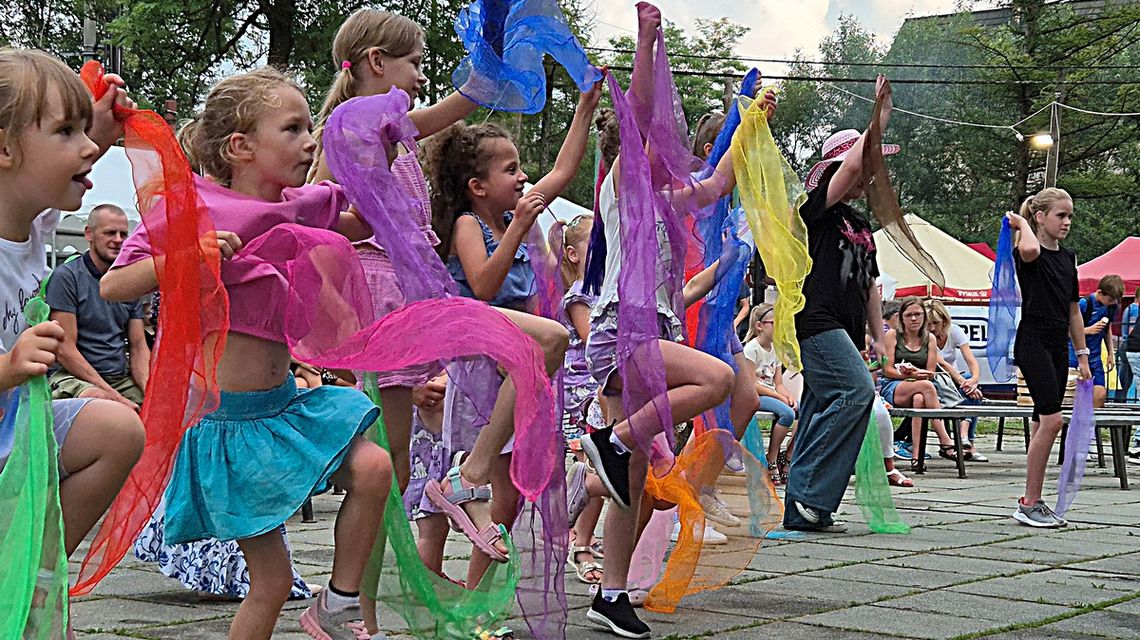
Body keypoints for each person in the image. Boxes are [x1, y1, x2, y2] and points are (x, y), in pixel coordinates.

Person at [101, 67, 392, 639]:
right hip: (226, 428)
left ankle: (338, 602)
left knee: (375, 468)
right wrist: (191, 254)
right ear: (240, 147)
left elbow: (364, 219)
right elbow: (115, 285)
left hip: (284, 409)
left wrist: (371, 158)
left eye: (312, 127)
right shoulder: (192, 208)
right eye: (293, 128)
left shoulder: (302, 203)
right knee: (272, 582)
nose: (310, 141)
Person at [576, 6, 745, 634]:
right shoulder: (623, 184)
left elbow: (719, 181)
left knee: (637, 480)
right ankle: (607, 442)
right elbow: (642, 113)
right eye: (656, 139)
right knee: (719, 380)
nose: (665, 147)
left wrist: (748, 119)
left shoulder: (670, 201)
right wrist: (646, 44)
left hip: (652, 332)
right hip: (625, 328)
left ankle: (611, 594)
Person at [425, 78, 599, 591]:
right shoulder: (467, 225)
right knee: (554, 337)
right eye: (511, 170)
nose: (524, 179)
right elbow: (481, 287)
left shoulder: (511, 217)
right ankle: (469, 470)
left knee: (508, 499)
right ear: (478, 186)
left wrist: (584, 107)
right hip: (478, 350)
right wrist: (520, 228)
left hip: (510, 371)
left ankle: (478, 603)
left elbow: (563, 172)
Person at [0, 48, 145, 636]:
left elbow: (65, 165)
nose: (87, 147)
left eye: (83, 130)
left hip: (14, 434)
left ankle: (34, 570)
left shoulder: (27, 220)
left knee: (119, 429)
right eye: (66, 130)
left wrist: (100, 133)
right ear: (4, 149)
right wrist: (7, 366)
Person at [781, 75, 895, 534]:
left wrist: (879, 335)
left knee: (818, 406)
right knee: (856, 394)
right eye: (866, 165)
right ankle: (811, 493)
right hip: (814, 319)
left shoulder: (860, 221)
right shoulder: (817, 206)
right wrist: (878, 119)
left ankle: (803, 506)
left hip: (844, 328)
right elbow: (848, 170)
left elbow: (870, 281)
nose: (870, 175)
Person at [1005, 188, 1091, 528]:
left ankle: (1032, 499)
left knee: (1043, 422)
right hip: (1032, 341)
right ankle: (1029, 502)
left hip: (1057, 344)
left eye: (1070, 216)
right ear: (1041, 217)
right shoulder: (1028, 249)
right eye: (1060, 215)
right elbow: (1028, 248)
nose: (1067, 221)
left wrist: (1082, 356)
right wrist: (1022, 223)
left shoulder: (1068, 258)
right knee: (1053, 421)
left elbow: (1073, 311)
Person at [45, 203, 149, 410]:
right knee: (100, 404)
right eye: (110, 233)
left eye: (123, 234)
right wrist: (114, 397)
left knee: (162, 413)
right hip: (71, 376)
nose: (118, 240)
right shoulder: (67, 277)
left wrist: (151, 393)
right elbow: (65, 349)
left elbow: (138, 347)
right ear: (89, 234)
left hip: (119, 378)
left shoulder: (128, 282)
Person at [555, 214, 608, 585]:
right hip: (582, 392)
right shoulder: (579, 295)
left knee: (605, 465)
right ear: (573, 254)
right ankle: (581, 544)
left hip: (602, 388)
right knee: (597, 467)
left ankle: (579, 535)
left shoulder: (607, 291)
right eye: (594, 242)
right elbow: (594, 340)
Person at [880, 296, 959, 470]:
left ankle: (917, 456)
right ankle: (945, 440)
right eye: (909, 315)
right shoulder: (893, 335)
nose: (914, 319)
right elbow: (887, 370)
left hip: (920, 386)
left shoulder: (929, 338)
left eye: (917, 314)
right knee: (926, 387)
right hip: (894, 385)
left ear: (924, 316)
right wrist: (911, 375)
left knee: (919, 399)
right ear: (901, 317)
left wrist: (918, 375)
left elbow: (930, 372)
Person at [925, 299, 988, 461]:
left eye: (935, 323)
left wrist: (974, 379)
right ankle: (967, 441)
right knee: (968, 387)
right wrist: (964, 381)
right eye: (928, 323)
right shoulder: (925, 337)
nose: (931, 328)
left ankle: (964, 436)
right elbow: (943, 364)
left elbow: (971, 360)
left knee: (971, 388)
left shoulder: (954, 331)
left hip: (953, 379)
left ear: (944, 321)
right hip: (935, 377)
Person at [742, 304, 796, 485]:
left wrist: (787, 396)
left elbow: (778, 383)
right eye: (774, 323)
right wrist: (779, 397)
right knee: (787, 414)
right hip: (754, 395)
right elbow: (751, 384)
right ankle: (771, 459)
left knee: (803, 411)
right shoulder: (751, 349)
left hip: (771, 393)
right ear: (759, 326)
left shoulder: (776, 349)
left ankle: (787, 457)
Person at [1069, 274, 1123, 408]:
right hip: (1075, 355)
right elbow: (1068, 329)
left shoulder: (1111, 307)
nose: (1112, 303)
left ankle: (1093, 426)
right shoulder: (1084, 304)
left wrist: (1110, 352)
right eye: (1110, 299)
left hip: (1095, 356)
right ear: (1099, 292)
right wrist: (1088, 330)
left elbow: (1107, 329)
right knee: (1074, 395)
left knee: (1100, 394)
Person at [1118, 286, 1137, 405]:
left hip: (1125, 344)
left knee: (1124, 379)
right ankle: (1121, 403)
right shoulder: (1135, 309)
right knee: (1126, 380)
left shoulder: (1129, 308)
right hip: (1131, 345)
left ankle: (1120, 402)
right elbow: (1132, 330)